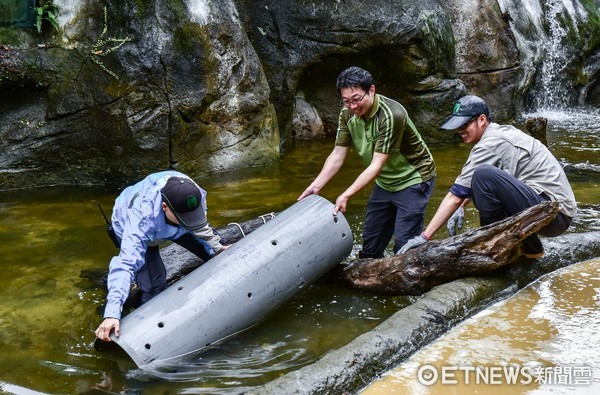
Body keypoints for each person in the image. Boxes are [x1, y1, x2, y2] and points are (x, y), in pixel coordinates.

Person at [398, 95, 577, 257]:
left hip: (553, 214)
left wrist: (425, 236)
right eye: (457, 125)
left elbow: (456, 194)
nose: (459, 130)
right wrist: (461, 206)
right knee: (482, 180)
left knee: (482, 175)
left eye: (464, 124)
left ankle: (493, 247)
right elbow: (477, 186)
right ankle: (531, 248)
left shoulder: (490, 144)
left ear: (482, 120)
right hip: (552, 211)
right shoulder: (499, 133)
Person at [298, 66, 436, 258]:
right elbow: (337, 154)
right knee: (369, 249)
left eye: (356, 99)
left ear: (371, 90)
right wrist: (316, 185)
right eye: (346, 101)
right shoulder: (346, 115)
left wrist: (346, 195)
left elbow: (376, 165)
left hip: (414, 178)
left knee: (405, 248)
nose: (352, 106)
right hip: (385, 180)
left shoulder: (391, 115)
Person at [95, 170, 229, 342]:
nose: (188, 221)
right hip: (132, 223)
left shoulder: (193, 193)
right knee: (154, 289)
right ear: (165, 207)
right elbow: (125, 264)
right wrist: (112, 313)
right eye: (183, 218)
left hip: (171, 220)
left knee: (215, 255)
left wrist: (218, 249)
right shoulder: (141, 220)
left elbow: (202, 229)